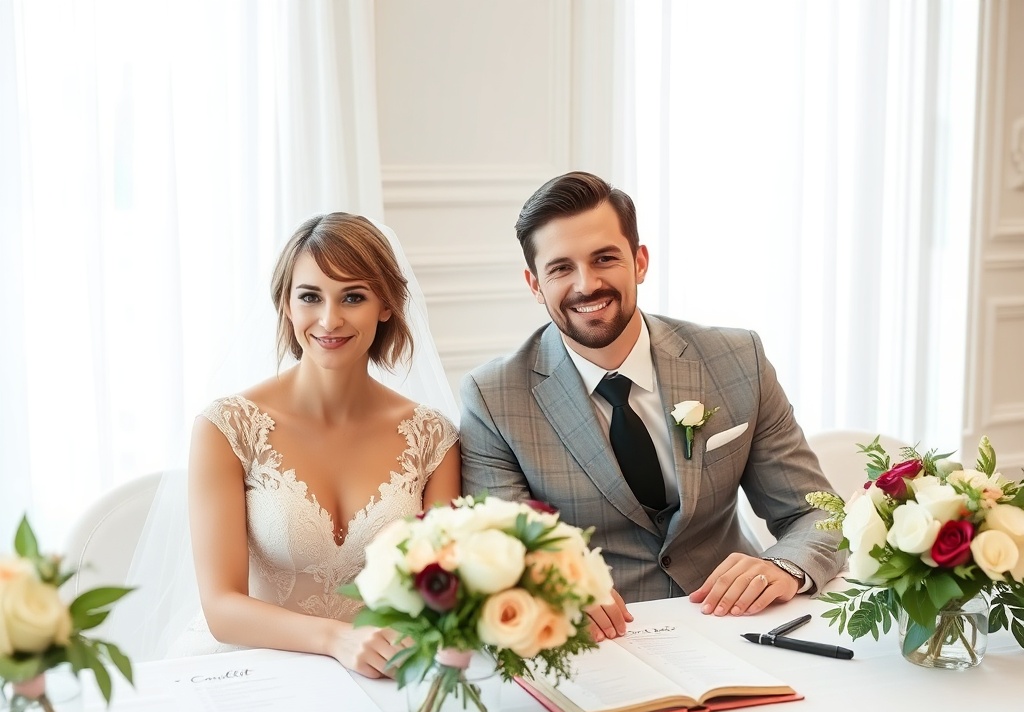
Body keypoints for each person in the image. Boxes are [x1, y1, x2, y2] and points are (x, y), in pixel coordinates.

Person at [459, 171, 843, 641]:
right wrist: (556, 589)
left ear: (640, 262)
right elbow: (501, 553)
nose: (587, 284)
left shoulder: (737, 359)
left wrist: (785, 566)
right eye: (561, 268)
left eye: (605, 258)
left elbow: (816, 513)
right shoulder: (494, 397)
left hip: (740, 626)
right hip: (600, 642)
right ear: (534, 283)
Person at [176, 213, 460, 678]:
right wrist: (336, 639)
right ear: (286, 305)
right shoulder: (226, 428)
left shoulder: (433, 440)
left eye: (353, 296)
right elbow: (221, 608)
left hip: (384, 671)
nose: (330, 319)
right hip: (255, 668)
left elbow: (440, 592)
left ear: (385, 305)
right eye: (310, 297)